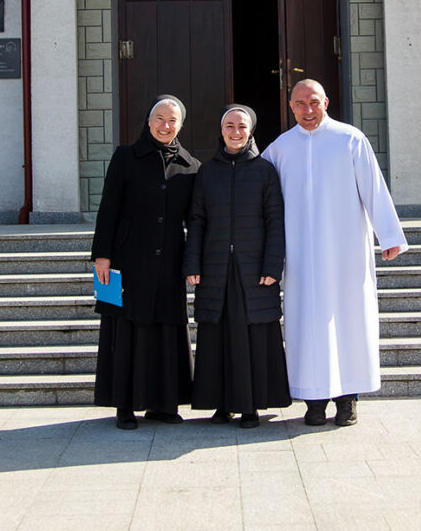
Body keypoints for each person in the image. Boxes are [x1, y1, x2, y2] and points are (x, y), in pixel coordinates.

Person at [262, 79, 408, 427]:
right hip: (300, 254)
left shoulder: (350, 139)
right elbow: (259, 193)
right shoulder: (280, 148)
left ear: (325, 102)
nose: (308, 110)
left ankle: (348, 399)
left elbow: (374, 187)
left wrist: (388, 234)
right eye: (300, 104)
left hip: (346, 251)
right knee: (306, 325)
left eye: (314, 102)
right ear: (290, 106)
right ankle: (314, 401)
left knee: (349, 321)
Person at [91, 95, 200, 429]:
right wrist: (101, 255)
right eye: (159, 119)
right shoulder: (125, 156)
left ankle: (163, 405)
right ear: (149, 121)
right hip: (125, 261)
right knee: (124, 330)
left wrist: (193, 262)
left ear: (181, 125)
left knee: (165, 331)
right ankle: (124, 406)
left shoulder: (191, 166)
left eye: (172, 120)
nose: (165, 125)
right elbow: (108, 207)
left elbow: (194, 221)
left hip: (169, 263)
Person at [183, 105, 291, 428]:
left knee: (252, 337)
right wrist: (192, 261)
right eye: (229, 126)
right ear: (221, 130)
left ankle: (250, 406)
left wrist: (272, 265)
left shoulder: (264, 171)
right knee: (217, 336)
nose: (235, 132)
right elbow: (197, 220)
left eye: (241, 126)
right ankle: (221, 403)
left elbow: (275, 221)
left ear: (251, 131)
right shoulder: (207, 172)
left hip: (253, 269)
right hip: (216, 267)